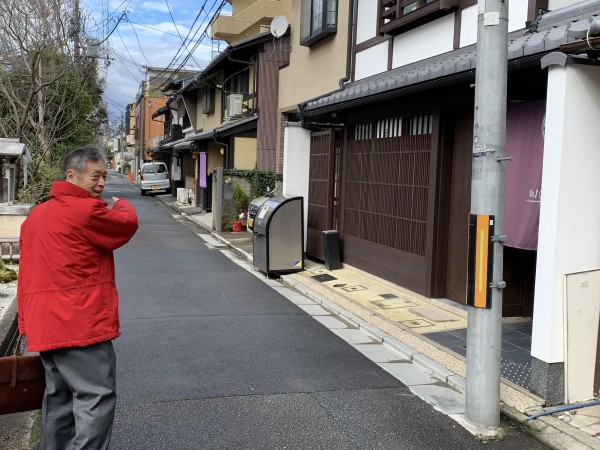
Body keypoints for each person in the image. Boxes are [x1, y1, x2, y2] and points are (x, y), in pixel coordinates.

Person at [17, 145, 139, 449]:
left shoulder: (36, 215)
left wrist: (25, 322)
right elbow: (125, 225)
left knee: (58, 397)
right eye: (95, 176)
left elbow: (26, 272)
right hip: (79, 323)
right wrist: (123, 204)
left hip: (44, 323)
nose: (101, 183)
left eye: (104, 176)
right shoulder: (85, 210)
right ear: (71, 175)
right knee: (96, 395)